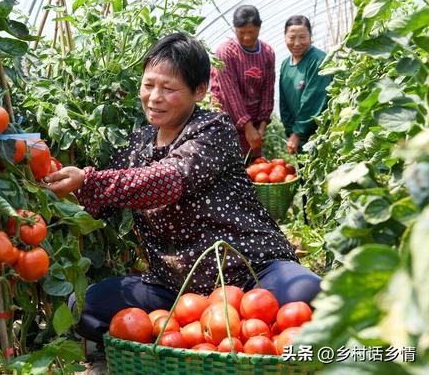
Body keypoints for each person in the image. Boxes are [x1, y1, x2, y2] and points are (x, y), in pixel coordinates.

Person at [44, 32, 321, 345]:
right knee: (84, 306)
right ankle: (187, 337)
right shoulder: (138, 145)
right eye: (148, 85)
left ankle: (199, 337)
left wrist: (89, 180)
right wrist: (57, 184)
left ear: (199, 91)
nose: (154, 97)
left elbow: (169, 180)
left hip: (251, 273)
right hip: (176, 288)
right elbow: (106, 199)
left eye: (168, 88)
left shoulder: (214, 129)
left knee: (306, 292)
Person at [211, 5, 275, 160]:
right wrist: (247, 126)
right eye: (241, 33)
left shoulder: (267, 53)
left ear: (259, 28)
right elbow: (230, 93)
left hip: (254, 123)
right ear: (235, 30)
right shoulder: (226, 52)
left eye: (251, 32)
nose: (246, 37)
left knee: (253, 167)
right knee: (229, 165)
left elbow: (268, 90)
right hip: (227, 121)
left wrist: (261, 126)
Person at [279, 15, 332, 154]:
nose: (296, 43)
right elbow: (283, 102)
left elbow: (313, 101)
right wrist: (290, 131)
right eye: (292, 37)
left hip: (317, 136)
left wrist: (297, 133)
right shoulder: (285, 65)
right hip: (297, 138)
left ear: (310, 37)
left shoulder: (318, 61)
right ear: (285, 37)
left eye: (302, 37)